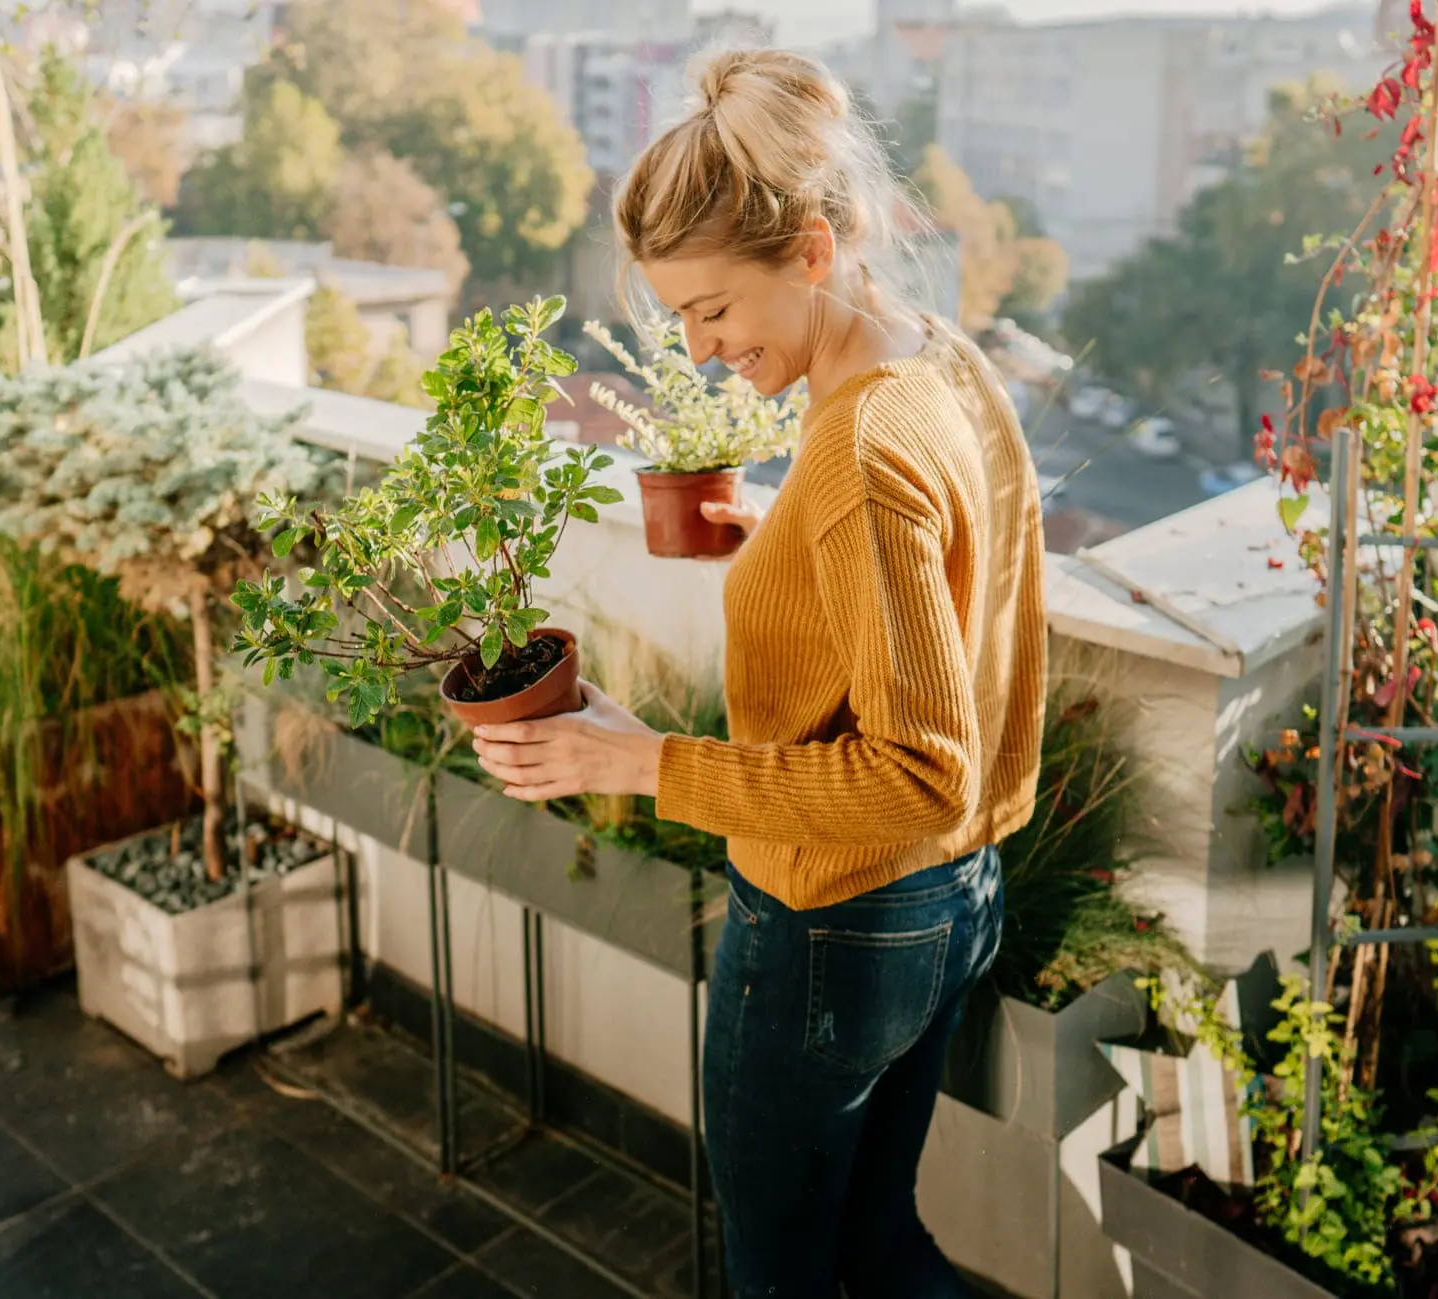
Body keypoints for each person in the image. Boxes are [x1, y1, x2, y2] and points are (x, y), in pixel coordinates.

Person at [467, 47, 1048, 1299]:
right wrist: (776, 537)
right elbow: (952, 563)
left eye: (714, 310)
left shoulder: (860, 455)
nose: (696, 345)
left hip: (837, 920)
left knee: (781, 1273)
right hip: (951, 905)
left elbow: (913, 774)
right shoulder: (932, 357)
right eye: (677, 317)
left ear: (813, 254)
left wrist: (634, 761)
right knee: (876, 1245)